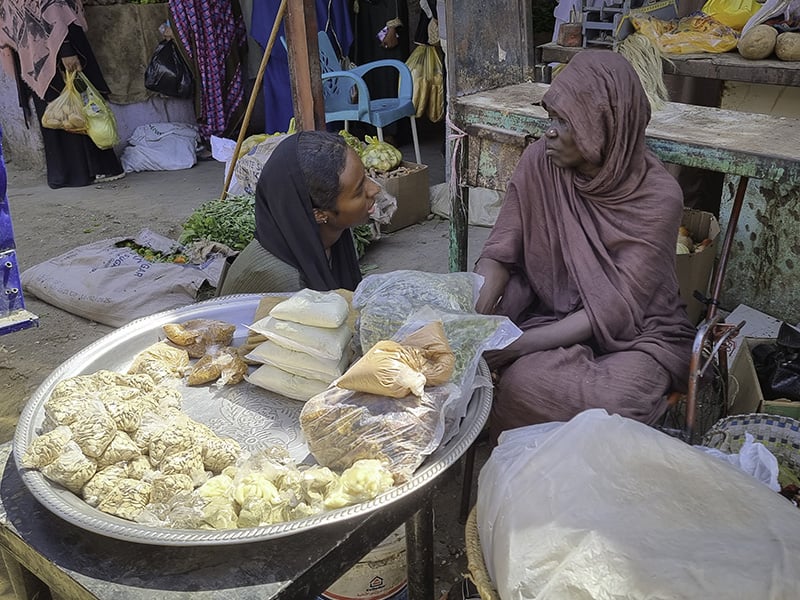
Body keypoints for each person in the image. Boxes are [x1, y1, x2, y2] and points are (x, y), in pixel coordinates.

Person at [474, 51, 696, 441]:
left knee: (611, 400)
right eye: (551, 119)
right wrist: (474, 323)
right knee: (511, 376)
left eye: (565, 122)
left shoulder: (658, 197)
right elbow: (499, 252)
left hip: (639, 334)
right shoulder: (539, 163)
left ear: (605, 126)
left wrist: (516, 346)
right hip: (550, 314)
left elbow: (614, 307)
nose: (550, 133)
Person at [219, 130, 379, 295]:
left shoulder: (328, 236)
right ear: (318, 214)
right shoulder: (289, 286)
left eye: (366, 176)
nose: (375, 189)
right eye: (359, 191)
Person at [0, 0, 124, 189]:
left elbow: (49, 9)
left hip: (46, 49)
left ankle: (81, 171)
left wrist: (64, 48)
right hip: (44, 50)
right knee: (63, 111)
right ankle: (79, 171)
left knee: (71, 108)